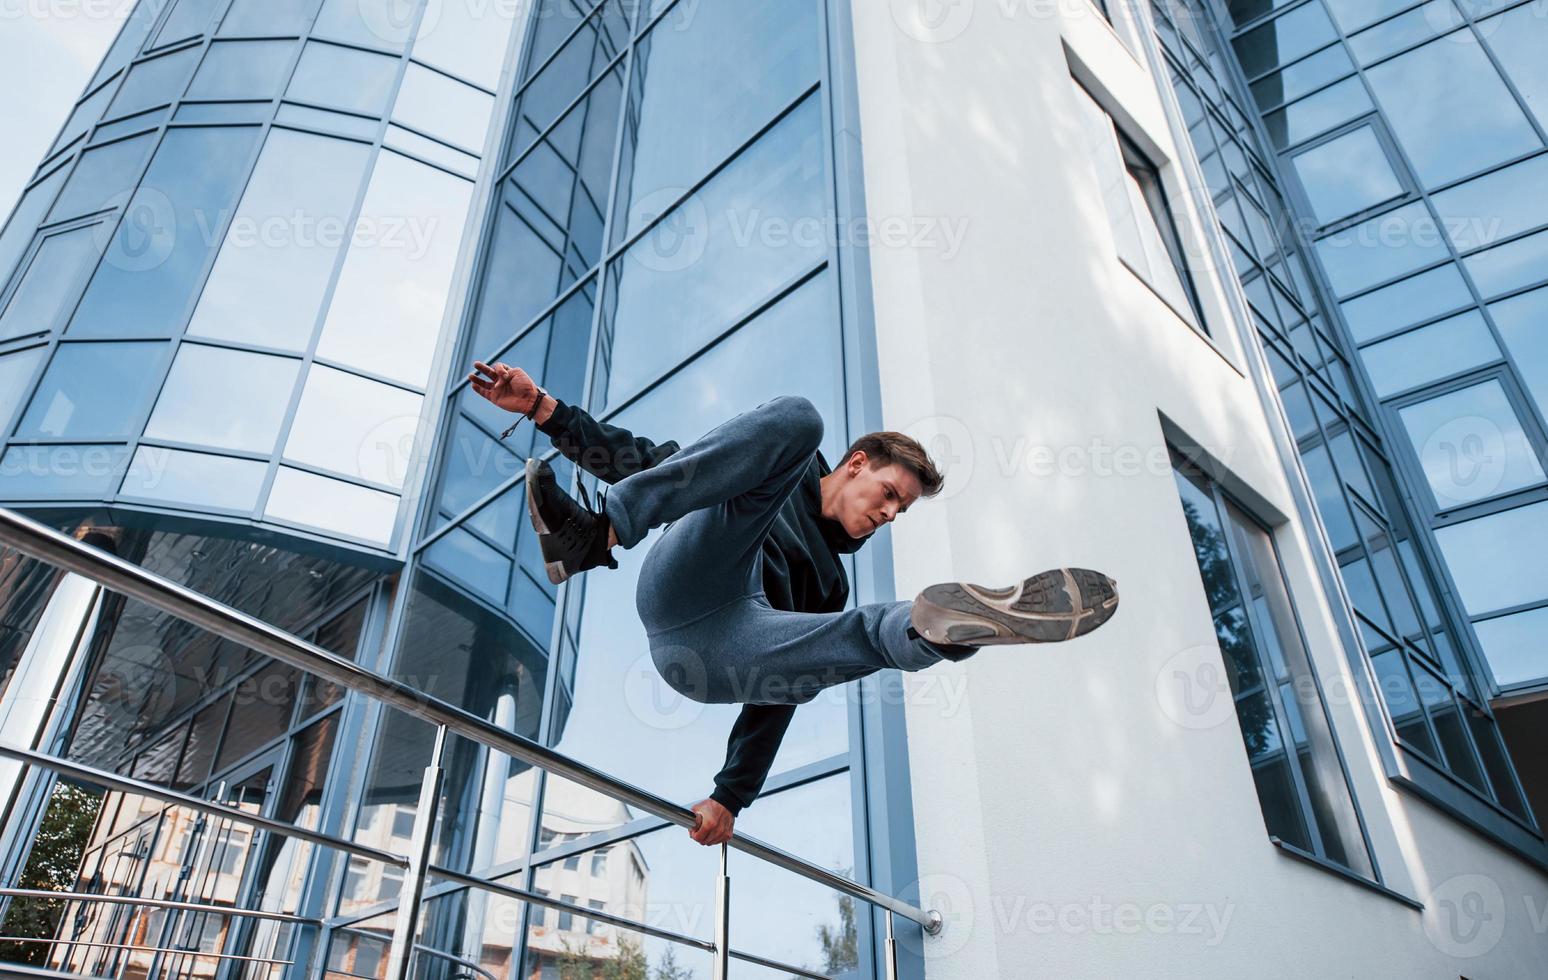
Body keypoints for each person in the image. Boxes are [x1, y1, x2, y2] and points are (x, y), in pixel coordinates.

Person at [468, 361, 1119, 846]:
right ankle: (599, 531)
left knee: (859, 632)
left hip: (725, 652)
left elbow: (777, 691)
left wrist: (731, 796)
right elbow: (646, 460)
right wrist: (544, 409)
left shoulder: (830, 584)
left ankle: (938, 632)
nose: (890, 514)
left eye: (902, 511)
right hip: (690, 581)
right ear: (858, 464)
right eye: (890, 494)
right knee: (798, 421)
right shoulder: (771, 469)